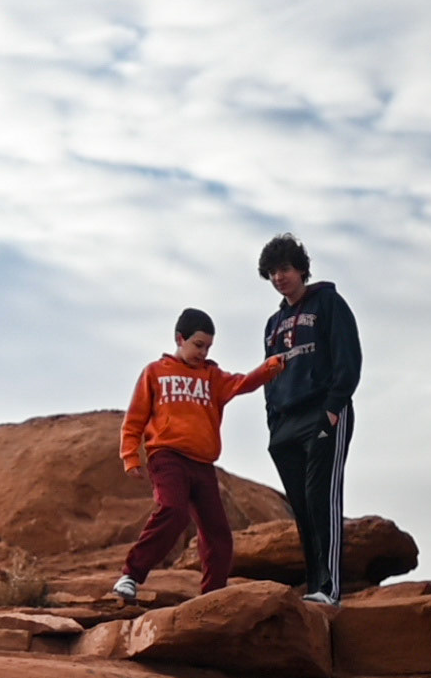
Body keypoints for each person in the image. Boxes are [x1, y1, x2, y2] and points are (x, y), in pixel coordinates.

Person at [112, 309, 283, 603]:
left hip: (203, 464)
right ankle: (130, 576)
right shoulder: (155, 372)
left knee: (219, 534)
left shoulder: (212, 376)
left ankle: (212, 596)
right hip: (167, 457)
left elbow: (243, 382)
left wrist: (270, 368)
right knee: (174, 511)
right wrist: (131, 456)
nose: (203, 352)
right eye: (198, 345)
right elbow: (135, 419)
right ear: (180, 338)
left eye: (208, 347)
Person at [257, 233, 362, 607]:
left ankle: (331, 588)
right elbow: (270, 375)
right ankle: (314, 584)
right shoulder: (273, 323)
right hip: (285, 423)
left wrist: (333, 408)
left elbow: (348, 358)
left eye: (284, 269)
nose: (279, 277)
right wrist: (273, 422)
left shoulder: (329, 303)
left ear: (300, 268)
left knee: (322, 499)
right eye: (271, 272)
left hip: (322, 412)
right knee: (300, 506)